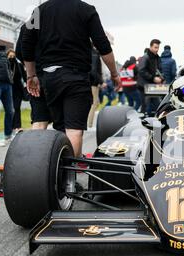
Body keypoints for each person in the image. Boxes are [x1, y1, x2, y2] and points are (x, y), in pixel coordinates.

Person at [23, 0, 121, 157]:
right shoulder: (86, 10)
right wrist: (114, 74)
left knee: (57, 126)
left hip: (49, 77)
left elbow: (26, 41)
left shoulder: (39, 10)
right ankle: (69, 178)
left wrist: (31, 75)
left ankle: (40, 169)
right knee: (73, 129)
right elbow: (102, 44)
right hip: (75, 76)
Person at [16, 24, 51, 131]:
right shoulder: (57, 21)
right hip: (58, 75)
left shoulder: (27, 26)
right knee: (65, 123)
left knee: (39, 120)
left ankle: (35, 147)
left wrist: (31, 69)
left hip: (36, 76)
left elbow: (19, 52)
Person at [137, 39, 163, 116]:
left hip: (152, 86)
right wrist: (153, 78)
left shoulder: (157, 57)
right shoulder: (145, 57)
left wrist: (161, 78)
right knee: (145, 107)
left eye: (158, 47)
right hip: (144, 86)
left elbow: (158, 70)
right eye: (155, 47)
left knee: (157, 105)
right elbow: (141, 70)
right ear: (150, 47)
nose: (157, 49)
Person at [7, 49, 26, 135]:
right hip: (8, 89)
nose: (12, 58)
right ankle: (10, 127)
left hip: (18, 89)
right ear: (7, 56)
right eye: (10, 56)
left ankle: (18, 126)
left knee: (17, 108)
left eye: (13, 56)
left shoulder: (19, 65)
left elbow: (25, 76)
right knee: (10, 109)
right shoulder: (5, 65)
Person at [88, 48, 103, 129]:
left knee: (95, 103)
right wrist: (101, 81)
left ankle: (89, 123)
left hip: (88, 81)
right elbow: (94, 70)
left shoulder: (88, 52)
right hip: (93, 82)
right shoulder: (95, 54)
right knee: (94, 103)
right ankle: (89, 124)